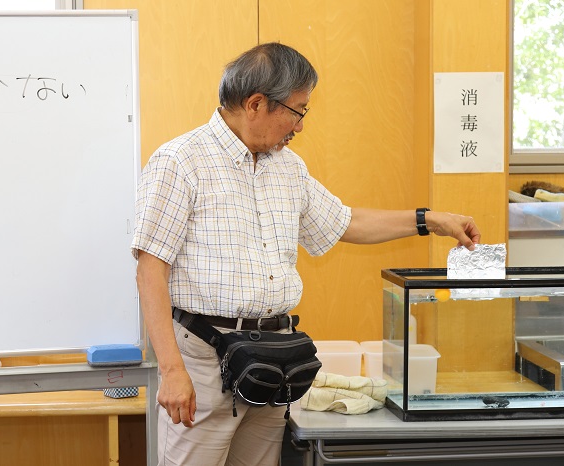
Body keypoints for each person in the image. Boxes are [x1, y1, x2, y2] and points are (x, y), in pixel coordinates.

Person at [131, 42, 481, 466]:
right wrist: (171, 371)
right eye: (297, 111)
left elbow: (346, 222)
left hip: (272, 360)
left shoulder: (288, 167)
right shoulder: (180, 162)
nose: (299, 126)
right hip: (202, 360)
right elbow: (151, 269)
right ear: (256, 103)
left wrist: (430, 219)